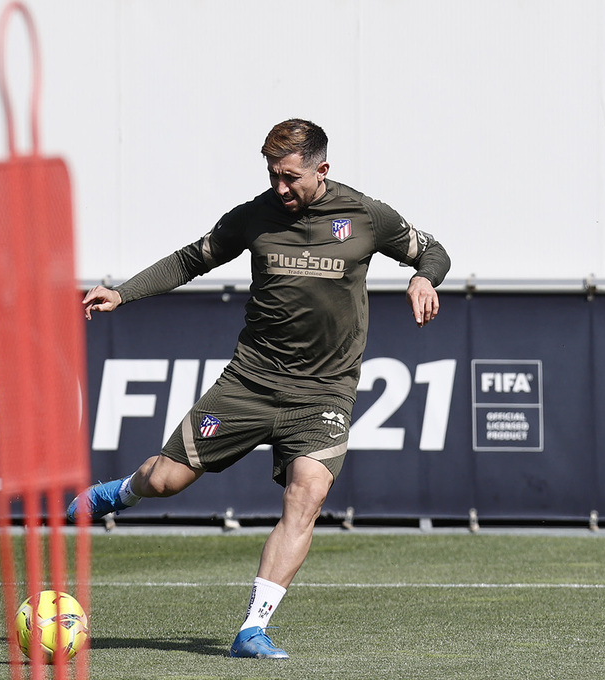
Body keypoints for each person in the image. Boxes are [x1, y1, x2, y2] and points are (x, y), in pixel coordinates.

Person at [68, 119, 450, 658]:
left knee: (307, 495)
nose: (280, 188)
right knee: (168, 479)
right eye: (273, 175)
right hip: (250, 383)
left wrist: (422, 276)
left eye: (291, 177)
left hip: (324, 393)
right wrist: (123, 293)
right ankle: (122, 492)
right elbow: (188, 260)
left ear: (322, 169)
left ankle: (253, 628)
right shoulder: (255, 216)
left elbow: (432, 250)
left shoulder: (366, 215)